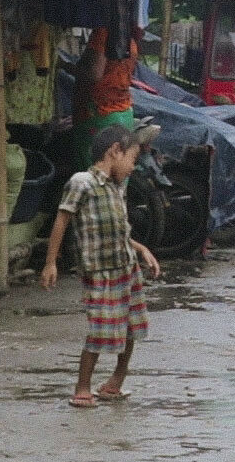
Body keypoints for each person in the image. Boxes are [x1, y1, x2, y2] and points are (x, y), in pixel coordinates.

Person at [42, 125, 161, 409]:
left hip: (126, 269)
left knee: (132, 328)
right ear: (114, 152)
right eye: (132, 159)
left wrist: (140, 248)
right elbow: (62, 221)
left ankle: (114, 382)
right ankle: (82, 387)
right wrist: (50, 263)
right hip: (100, 272)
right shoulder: (82, 182)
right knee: (100, 330)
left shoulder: (117, 188)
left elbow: (119, 231)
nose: (133, 167)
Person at [73, 27, 138, 170]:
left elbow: (94, 73)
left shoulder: (103, 33)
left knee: (93, 178)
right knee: (116, 177)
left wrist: (68, 66)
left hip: (99, 112)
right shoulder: (129, 35)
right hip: (124, 111)